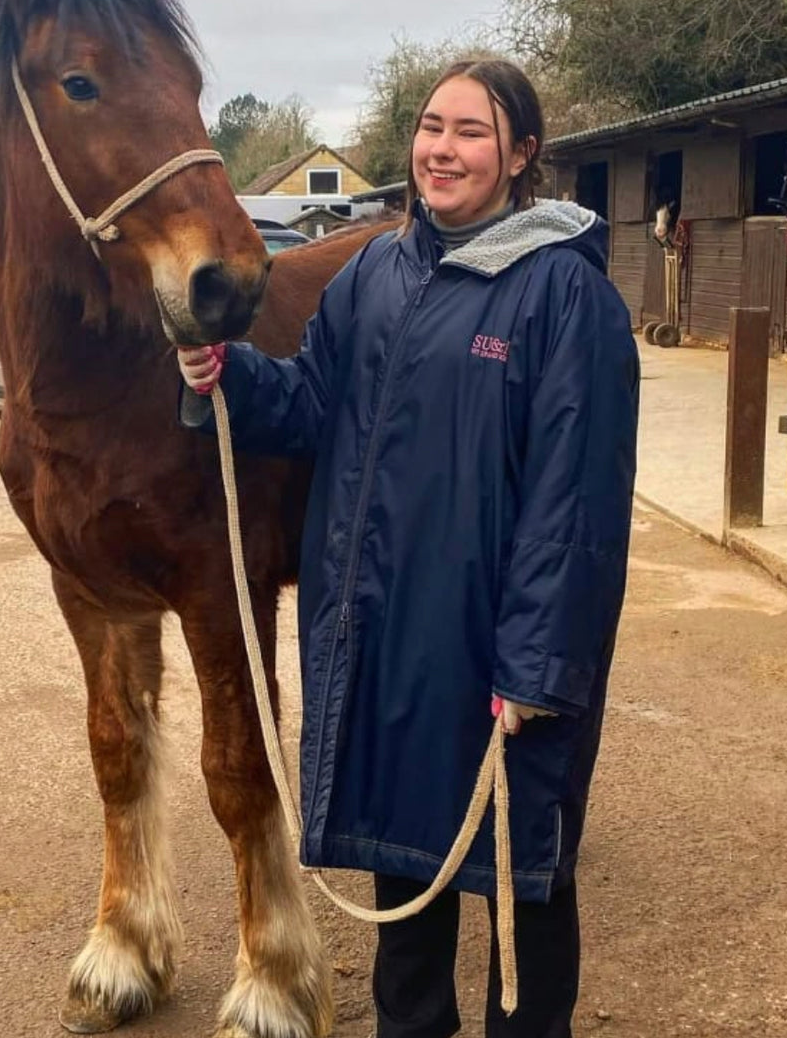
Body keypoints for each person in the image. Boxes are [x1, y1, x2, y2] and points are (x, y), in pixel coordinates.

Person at [177, 58, 639, 1038]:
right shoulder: (375, 274)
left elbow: (577, 506)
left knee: (526, 887)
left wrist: (535, 669)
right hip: (393, 644)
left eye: (471, 131)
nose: (441, 148)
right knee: (407, 890)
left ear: (521, 155)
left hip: (500, 664)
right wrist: (231, 375)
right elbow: (312, 403)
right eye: (432, 126)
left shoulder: (566, 297)